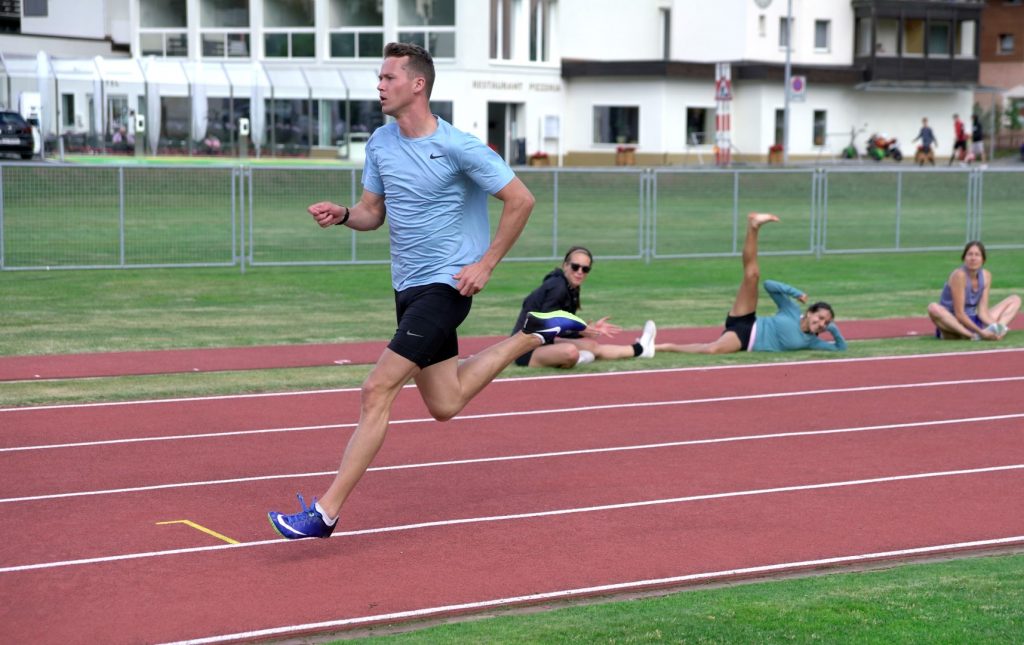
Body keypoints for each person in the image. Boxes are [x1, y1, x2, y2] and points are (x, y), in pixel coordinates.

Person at [268, 42, 586, 540]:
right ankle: (530, 335)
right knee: (445, 403)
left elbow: (521, 199)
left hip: (447, 286)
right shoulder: (380, 143)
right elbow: (373, 212)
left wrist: (485, 264)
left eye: (388, 78)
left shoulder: (459, 147)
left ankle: (324, 513)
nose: (379, 86)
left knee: (377, 389)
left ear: (417, 85)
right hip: (407, 289)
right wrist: (345, 214)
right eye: (379, 78)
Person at [655, 212, 847, 354]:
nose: (821, 323)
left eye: (826, 322)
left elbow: (841, 348)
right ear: (810, 312)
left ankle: (664, 347)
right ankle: (754, 226)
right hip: (747, 319)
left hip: (744, 340)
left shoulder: (811, 342)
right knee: (752, 275)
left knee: (712, 350)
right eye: (820, 317)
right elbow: (769, 285)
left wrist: (833, 329)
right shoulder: (792, 311)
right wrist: (796, 293)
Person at [511, 246, 657, 368]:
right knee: (570, 351)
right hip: (525, 350)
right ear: (565, 265)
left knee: (592, 346)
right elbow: (547, 325)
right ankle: (578, 358)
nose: (579, 272)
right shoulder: (557, 287)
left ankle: (640, 350)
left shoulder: (571, 288)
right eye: (575, 267)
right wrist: (582, 330)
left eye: (585, 269)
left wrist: (587, 330)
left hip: (542, 343)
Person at [926, 241, 1020, 341]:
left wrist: (996, 326)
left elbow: (983, 313)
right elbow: (960, 314)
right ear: (964, 258)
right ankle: (972, 336)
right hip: (953, 323)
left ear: (983, 260)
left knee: (1015, 299)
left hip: (973, 321)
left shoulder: (986, 276)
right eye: (970, 254)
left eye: (977, 255)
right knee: (933, 308)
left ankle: (999, 330)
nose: (973, 258)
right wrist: (981, 333)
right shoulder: (959, 276)